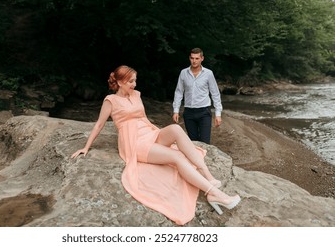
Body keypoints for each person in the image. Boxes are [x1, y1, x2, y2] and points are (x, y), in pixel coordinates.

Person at [71, 65, 240, 225]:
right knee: (176, 156)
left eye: (135, 80)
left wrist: (157, 133)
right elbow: (99, 124)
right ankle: (213, 193)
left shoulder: (136, 95)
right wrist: (86, 147)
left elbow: (143, 117)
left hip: (149, 132)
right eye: (130, 81)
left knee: (175, 129)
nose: (134, 84)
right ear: (120, 82)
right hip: (134, 141)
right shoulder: (111, 100)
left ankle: (207, 174)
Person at [172, 48, 223, 144]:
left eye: (197, 58)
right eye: (192, 58)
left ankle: (204, 159)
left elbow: (215, 93)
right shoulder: (183, 73)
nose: (194, 61)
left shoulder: (208, 73)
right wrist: (176, 111)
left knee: (205, 143)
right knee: (193, 143)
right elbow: (179, 92)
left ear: (202, 58)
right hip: (189, 112)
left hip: (204, 112)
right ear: (189, 58)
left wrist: (218, 114)